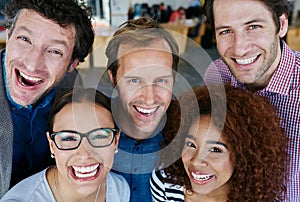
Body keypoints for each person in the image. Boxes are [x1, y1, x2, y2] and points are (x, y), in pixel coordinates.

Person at [202, 0, 300, 200]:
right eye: (226, 31)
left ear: (281, 25)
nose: (239, 49)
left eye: (253, 27)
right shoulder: (216, 74)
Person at [0, 0, 94, 196]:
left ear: (72, 64)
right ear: (8, 36)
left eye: (55, 51)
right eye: (25, 39)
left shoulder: (73, 89)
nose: (33, 64)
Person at [150, 84, 289, 201]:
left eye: (215, 149)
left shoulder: (260, 198)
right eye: (191, 145)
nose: (197, 161)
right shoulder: (165, 182)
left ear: (243, 157)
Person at [1, 88, 130, 201]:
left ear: (116, 141)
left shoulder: (119, 188)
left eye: (99, 136)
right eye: (68, 138)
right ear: (52, 145)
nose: (84, 155)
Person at [104, 17, 179, 201]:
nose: (149, 98)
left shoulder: (190, 138)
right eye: (134, 80)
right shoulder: (89, 132)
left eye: (161, 80)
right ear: (113, 79)